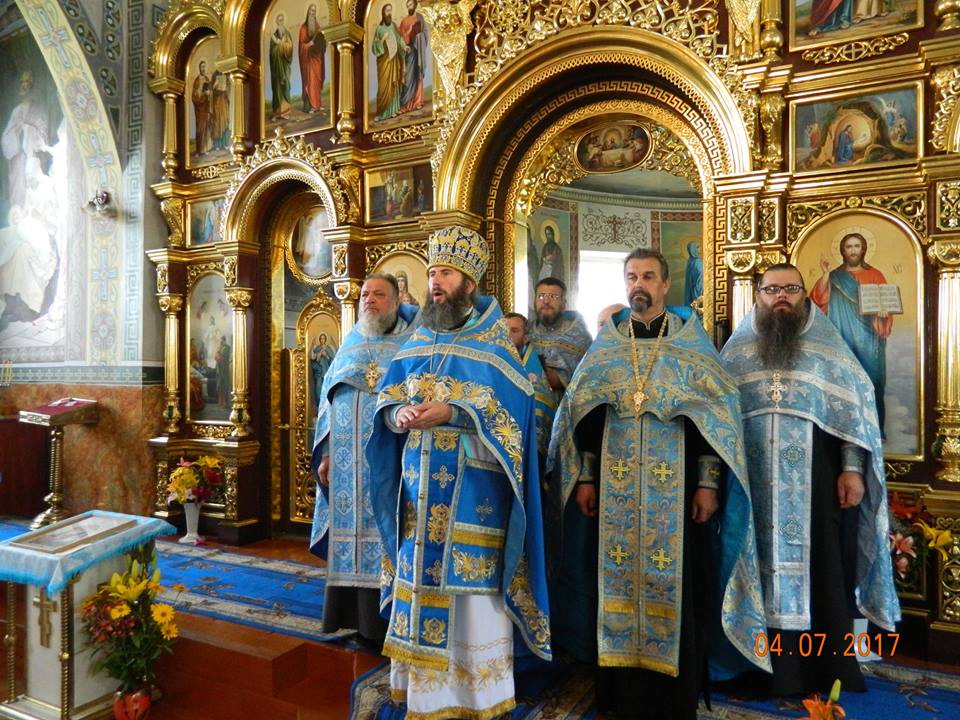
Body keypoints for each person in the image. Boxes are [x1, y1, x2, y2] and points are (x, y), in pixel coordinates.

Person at [548, 248, 769, 719]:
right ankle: (618, 693)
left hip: (679, 493)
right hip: (614, 491)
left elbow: (713, 424)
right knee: (611, 583)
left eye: (648, 276)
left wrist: (708, 484)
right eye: (632, 276)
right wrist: (585, 478)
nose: (639, 284)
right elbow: (585, 419)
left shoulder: (692, 346)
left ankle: (673, 696)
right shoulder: (607, 345)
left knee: (679, 585)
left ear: (666, 285)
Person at [367, 226, 551, 718]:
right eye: (432, 273)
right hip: (418, 492)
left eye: (445, 273)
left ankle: (475, 695)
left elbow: (516, 415)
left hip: (474, 496)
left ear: (469, 282)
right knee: (420, 582)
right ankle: (423, 694)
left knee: (469, 597)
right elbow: (388, 398)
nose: (435, 282)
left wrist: (455, 412)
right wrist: (399, 414)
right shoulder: (418, 339)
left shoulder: (494, 347)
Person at [720, 263, 900, 697]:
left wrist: (852, 469)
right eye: (771, 289)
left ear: (805, 295)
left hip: (816, 485)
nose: (780, 296)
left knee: (822, 568)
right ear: (758, 296)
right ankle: (752, 666)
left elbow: (855, 415)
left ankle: (821, 669)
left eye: (791, 288)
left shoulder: (828, 348)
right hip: (750, 487)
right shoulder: (735, 353)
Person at [310, 273, 418, 646]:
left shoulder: (412, 342)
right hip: (344, 460)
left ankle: (385, 623)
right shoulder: (352, 340)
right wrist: (326, 452)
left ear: (396, 301)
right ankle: (351, 619)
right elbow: (328, 401)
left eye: (379, 294)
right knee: (349, 535)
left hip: (390, 459)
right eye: (365, 294)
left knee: (386, 529)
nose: (369, 300)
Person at [809, 232, 891, 431]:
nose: (853, 250)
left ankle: (874, 429)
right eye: (849, 247)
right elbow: (818, 301)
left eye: (857, 246)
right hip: (841, 336)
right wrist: (826, 274)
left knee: (873, 381)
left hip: (869, 339)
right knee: (843, 381)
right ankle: (843, 429)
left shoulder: (875, 275)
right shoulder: (834, 277)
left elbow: (887, 304)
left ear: (863, 250)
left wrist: (883, 313)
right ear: (843, 251)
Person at [528, 277, 592, 397]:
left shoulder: (579, 335)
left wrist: (560, 379)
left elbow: (589, 374)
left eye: (553, 297)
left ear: (564, 304)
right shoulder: (526, 332)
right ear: (534, 302)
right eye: (541, 296)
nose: (546, 301)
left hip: (565, 403)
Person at [504, 311, 556, 458]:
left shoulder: (533, 371)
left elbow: (541, 405)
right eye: (503, 330)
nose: (507, 335)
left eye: (514, 330)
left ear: (526, 338)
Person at [2, 70, 48, 212]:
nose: (24, 85)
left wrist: (27, 129)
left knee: (32, 196)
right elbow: (6, 137)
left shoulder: (39, 110)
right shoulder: (16, 111)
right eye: (22, 81)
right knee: (18, 193)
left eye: (27, 82)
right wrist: (16, 133)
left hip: (32, 159)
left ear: (32, 86)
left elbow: (43, 135)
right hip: (17, 161)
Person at [371, 4, 405, 122]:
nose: (389, 13)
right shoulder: (379, 29)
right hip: (384, 62)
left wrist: (404, 46)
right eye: (387, 11)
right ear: (383, 13)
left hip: (394, 59)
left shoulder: (393, 26)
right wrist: (382, 40)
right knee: (384, 86)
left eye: (390, 11)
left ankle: (394, 109)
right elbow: (374, 47)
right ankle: (383, 112)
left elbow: (399, 39)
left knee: (394, 83)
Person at [398, 0, 427, 113]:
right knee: (408, 76)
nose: (409, 7)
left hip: (417, 50)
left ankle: (418, 101)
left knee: (417, 74)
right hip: (409, 51)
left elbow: (425, 33)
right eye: (407, 5)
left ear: (415, 5)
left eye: (411, 5)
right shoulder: (404, 21)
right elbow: (400, 37)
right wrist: (408, 34)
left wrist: (419, 36)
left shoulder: (420, 18)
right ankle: (406, 104)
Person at [298, 4, 327, 114]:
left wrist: (323, 41)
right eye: (311, 10)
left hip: (317, 58)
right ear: (308, 12)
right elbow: (302, 46)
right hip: (308, 59)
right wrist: (308, 45)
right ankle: (309, 106)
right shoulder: (303, 28)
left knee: (317, 81)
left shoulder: (317, 26)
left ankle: (317, 105)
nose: (313, 13)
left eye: (314, 11)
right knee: (310, 81)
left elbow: (320, 40)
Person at [269, 13, 294, 120]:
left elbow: (290, 49)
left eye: (282, 20)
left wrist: (283, 46)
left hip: (285, 65)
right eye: (279, 20)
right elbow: (272, 53)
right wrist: (277, 47)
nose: (281, 22)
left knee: (285, 86)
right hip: (276, 68)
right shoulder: (273, 36)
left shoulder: (287, 34)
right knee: (277, 88)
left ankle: (285, 111)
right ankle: (277, 112)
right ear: (276, 22)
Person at [191, 61, 212, 155]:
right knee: (200, 128)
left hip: (206, 106)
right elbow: (194, 95)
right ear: (199, 68)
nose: (203, 69)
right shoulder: (197, 80)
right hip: (199, 107)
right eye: (202, 67)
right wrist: (202, 94)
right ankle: (199, 150)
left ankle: (205, 149)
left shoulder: (207, 79)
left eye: (204, 67)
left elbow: (210, 92)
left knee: (206, 126)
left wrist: (209, 94)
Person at [209, 70, 230, 151]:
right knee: (217, 123)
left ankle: (225, 143)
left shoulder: (226, 73)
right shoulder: (215, 74)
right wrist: (215, 85)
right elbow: (211, 90)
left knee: (225, 121)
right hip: (217, 103)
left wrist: (225, 89)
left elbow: (228, 88)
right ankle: (217, 144)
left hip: (224, 102)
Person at [683, 240, 703, 306]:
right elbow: (700, 280)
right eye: (697, 247)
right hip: (698, 292)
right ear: (693, 249)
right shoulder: (697, 262)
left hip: (691, 292)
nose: (700, 248)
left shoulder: (690, 261)